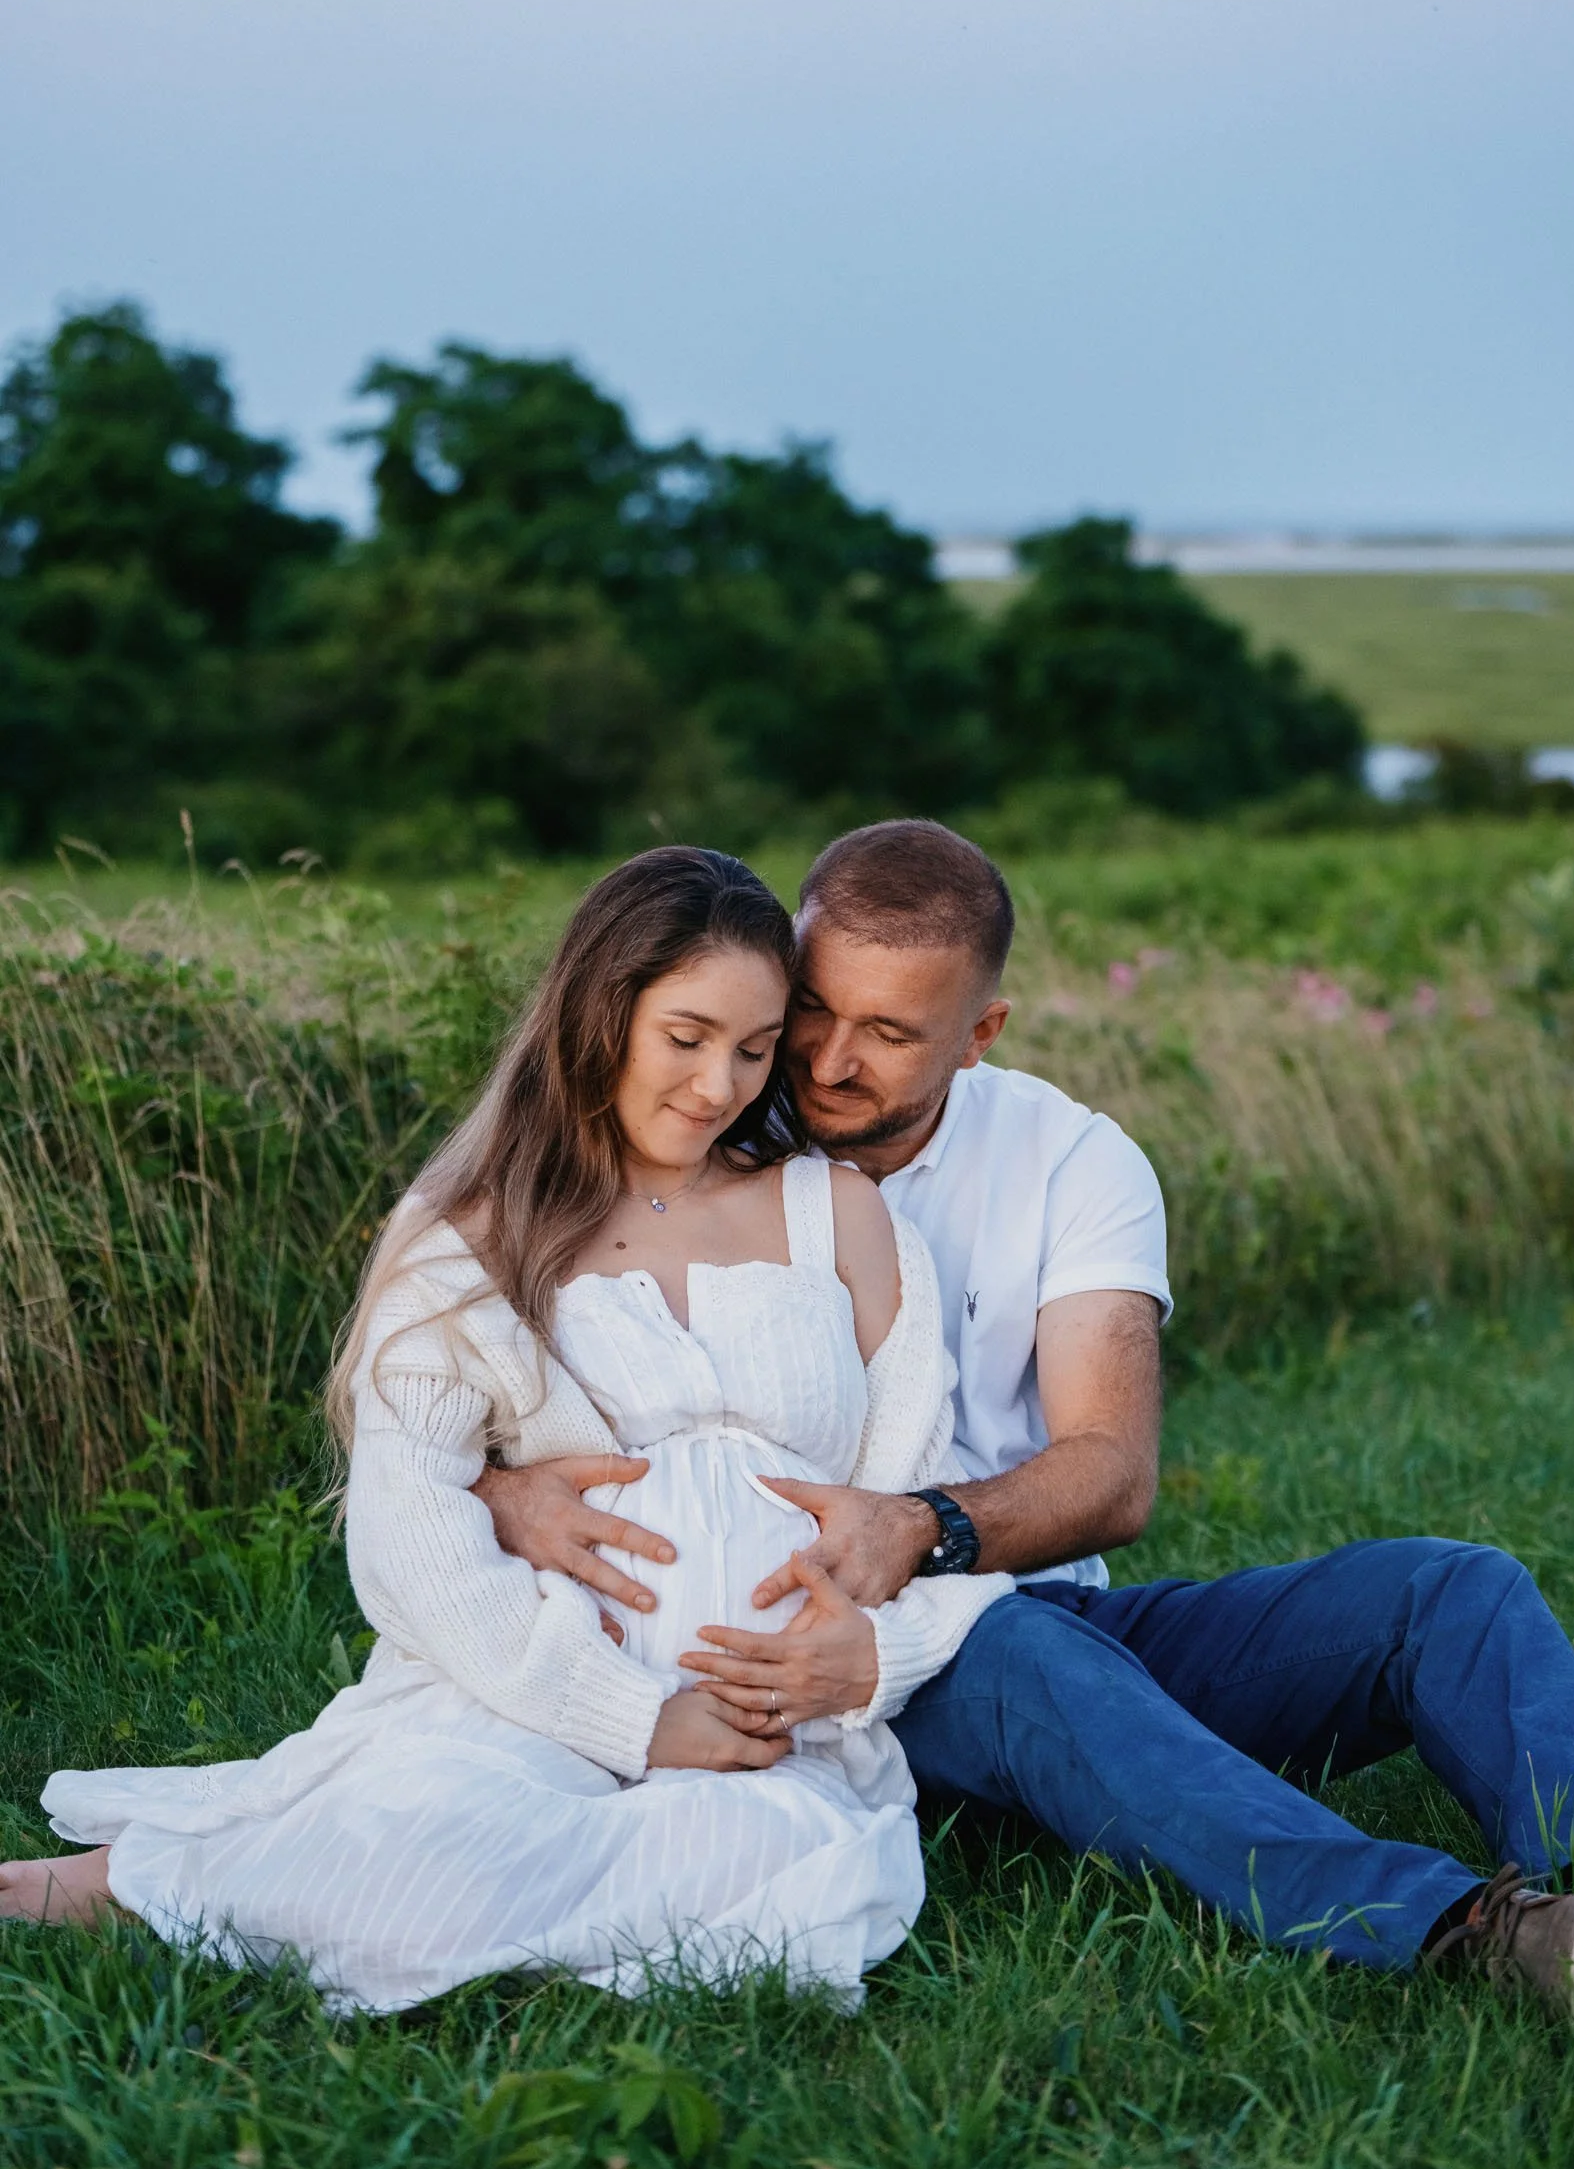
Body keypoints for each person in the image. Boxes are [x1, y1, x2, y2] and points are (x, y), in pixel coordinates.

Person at [479, 819, 1574, 2017]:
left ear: (980, 1033)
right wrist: (501, 1489)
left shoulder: (1069, 1159)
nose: (828, 1061)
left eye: (890, 1035)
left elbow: (1108, 1471)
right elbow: (483, 1384)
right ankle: (1468, 1933)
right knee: (1018, 1651)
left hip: (1028, 1600)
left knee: (1446, 1592)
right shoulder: (702, 1121)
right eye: (813, 1012)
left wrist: (923, 1524)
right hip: (856, 1657)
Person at [0, 848, 1012, 2012]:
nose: (717, 1084)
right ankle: (146, 1884)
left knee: (776, 1879)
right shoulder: (470, 1234)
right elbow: (407, 1526)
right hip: (533, 1694)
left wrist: (864, 1662)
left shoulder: (833, 1213)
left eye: (752, 1045)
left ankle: (322, 1878)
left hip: (773, 1729)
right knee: (425, 1856)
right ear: (598, 1015)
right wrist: (632, 1718)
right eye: (684, 1037)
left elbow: (922, 1504)